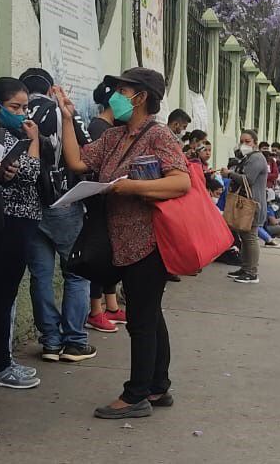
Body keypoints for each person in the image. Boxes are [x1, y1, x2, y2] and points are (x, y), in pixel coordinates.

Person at [55, 67, 190, 419]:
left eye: (121, 90)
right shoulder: (115, 137)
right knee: (149, 315)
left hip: (149, 242)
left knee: (141, 320)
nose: (114, 95)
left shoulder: (158, 136)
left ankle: (136, 396)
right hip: (121, 242)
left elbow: (180, 183)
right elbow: (77, 161)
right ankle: (158, 386)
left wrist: (131, 187)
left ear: (140, 96)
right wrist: (67, 118)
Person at [19, 68, 97, 363]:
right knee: (76, 273)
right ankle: (75, 341)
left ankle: (50, 341)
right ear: (51, 87)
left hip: (29, 205)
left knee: (40, 275)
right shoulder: (59, 110)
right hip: (62, 201)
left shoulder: (18, 110)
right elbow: (85, 149)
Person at [0, 77, 43, 390]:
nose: (22, 113)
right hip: (10, 219)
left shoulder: (12, 132)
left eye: (25, 107)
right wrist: (34, 141)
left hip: (22, 220)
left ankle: (4, 360)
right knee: (3, 293)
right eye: (14, 107)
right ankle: (0, 365)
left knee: (8, 293)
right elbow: (30, 173)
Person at [86, 80, 127, 333]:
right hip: (97, 200)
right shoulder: (100, 128)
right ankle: (95, 309)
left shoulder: (111, 127)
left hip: (109, 203)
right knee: (98, 258)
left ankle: (111, 306)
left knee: (111, 258)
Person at [222, 130, 268, 284]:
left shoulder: (256, 158)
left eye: (247, 141)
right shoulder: (248, 158)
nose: (244, 144)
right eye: (242, 141)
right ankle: (245, 267)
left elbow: (248, 179)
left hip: (252, 204)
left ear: (255, 142)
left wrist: (229, 174)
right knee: (245, 236)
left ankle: (251, 272)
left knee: (250, 237)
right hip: (247, 203)